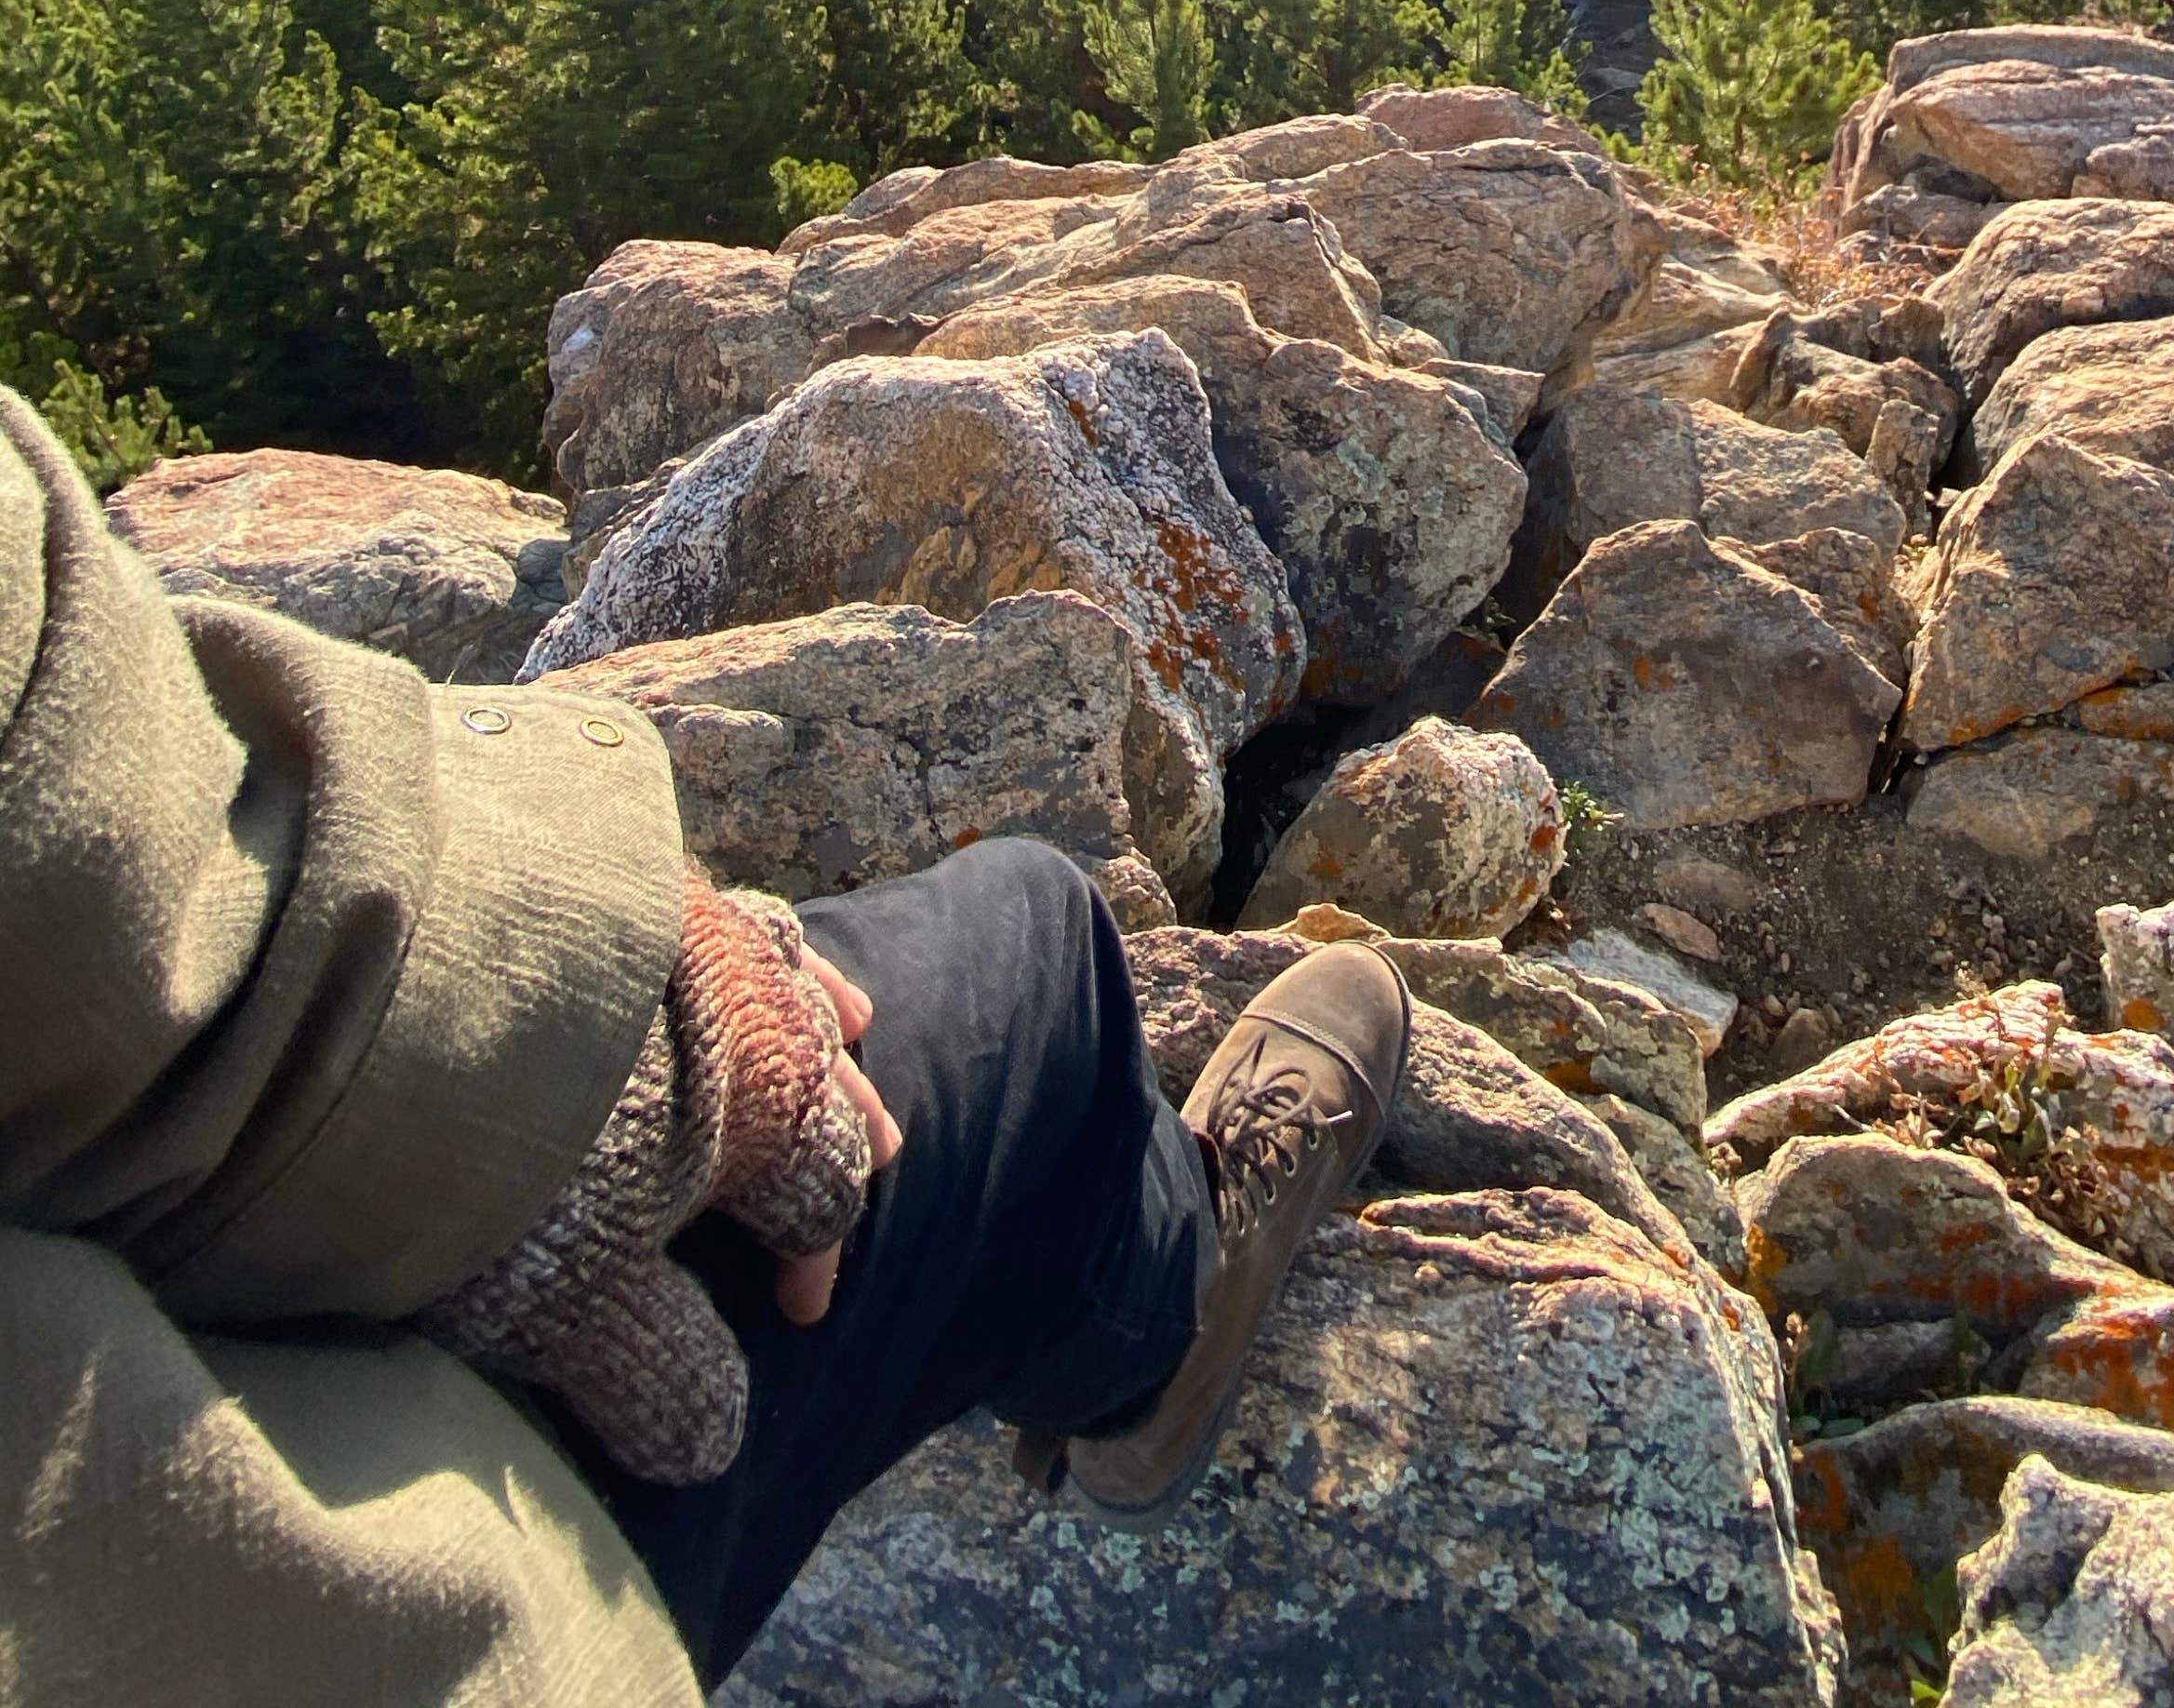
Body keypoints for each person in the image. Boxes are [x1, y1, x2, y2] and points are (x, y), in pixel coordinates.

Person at [0, 385, 1409, 1703]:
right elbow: (85, 847)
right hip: (334, 1594)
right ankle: (1158, 1307)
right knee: (1039, 959)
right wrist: (549, 1046)